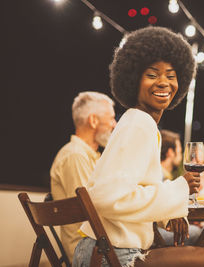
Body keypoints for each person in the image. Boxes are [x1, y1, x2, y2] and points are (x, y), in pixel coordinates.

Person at [73, 26, 204, 267]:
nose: (164, 82)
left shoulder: (135, 121)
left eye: (171, 75)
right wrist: (180, 189)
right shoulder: (139, 123)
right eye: (152, 74)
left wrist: (170, 209)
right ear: (133, 79)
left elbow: (131, 189)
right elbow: (106, 197)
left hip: (101, 249)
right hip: (110, 255)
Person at [50, 91, 117, 261]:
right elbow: (92, 212)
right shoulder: (75, 156)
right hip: (89, 250)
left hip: (100, 244)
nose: (115, 124)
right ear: (93, 120)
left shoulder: (93, 156)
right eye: (111, 118)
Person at [158, 129, 202, 246]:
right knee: (199, 233)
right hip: (155, 233)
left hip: (157, 228)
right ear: (170, 152)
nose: (181, 154)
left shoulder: (165, 175)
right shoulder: (159, 175)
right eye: (179, 150)